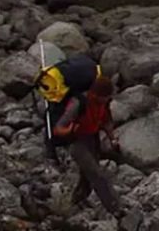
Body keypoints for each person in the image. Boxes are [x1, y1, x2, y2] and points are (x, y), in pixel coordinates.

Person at [51, 74, 121, 214]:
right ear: (95, 95)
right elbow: (58, 129)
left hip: (92, 140)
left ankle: (74, 203)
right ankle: (116, 209)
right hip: (77, 143)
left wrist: (112, 139)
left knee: (87, 179)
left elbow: (106, 122)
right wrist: (70, 130)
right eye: (106, 97)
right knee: (97, 174)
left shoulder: (103, 104)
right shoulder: (78, 103)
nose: (108, 100)